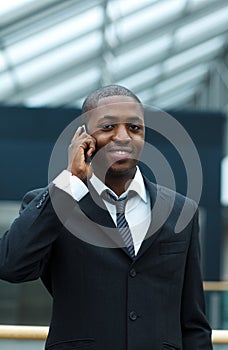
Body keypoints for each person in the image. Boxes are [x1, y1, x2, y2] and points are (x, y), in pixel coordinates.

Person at [0, 85, 213, 350]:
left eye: (134, 128)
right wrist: (71, 182)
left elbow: (193, 323)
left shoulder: (182, 211)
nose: (123, 137)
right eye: (108, 127)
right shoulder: (57, 205)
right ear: (84, 136)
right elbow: (11, 265)